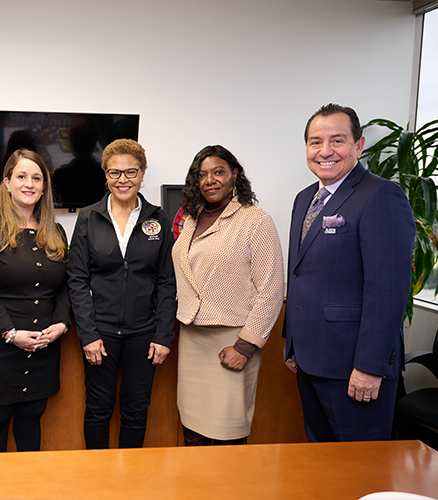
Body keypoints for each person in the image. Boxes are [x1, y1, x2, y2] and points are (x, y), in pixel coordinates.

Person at [283, 103, 416, 442]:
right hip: (311, 360)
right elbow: (300, 275)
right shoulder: (304, 199)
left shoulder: (381, 195)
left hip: (354, 367)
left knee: (362, 470)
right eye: (315, 142)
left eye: (337, 140)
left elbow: (387, 290)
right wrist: (293, 344)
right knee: (323, 459)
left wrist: (370, 367)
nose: (325, 151)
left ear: (358, 145)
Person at [67, 138, 176, 449]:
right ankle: (97, 483)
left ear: (142, 174)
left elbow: (168, 281)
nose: (123, 180)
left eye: (131, 172)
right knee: (98, 410)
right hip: (100, 333)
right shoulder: (89, 216)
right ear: (105, 174)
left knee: (135, 411)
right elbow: (76, 278)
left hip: (144, 333)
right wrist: (87, 335)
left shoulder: (158, 218)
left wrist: (163, 335)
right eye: (115, 173)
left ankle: (129, 483)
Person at [172, 145, 284, 445]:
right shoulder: (192, 219)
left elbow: (272, 288)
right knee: (193, 428)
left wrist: (246, 346)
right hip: (193, 336)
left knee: (226, 430)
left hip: (232, 339)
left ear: (235, 175)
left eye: (218, 172)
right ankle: (197, 491)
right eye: (202, 174)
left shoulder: (255, 220)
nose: (210, 180)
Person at [0, 148, 71, 452]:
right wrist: (10, 333)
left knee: (31, 417)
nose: (29, 183)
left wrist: (61, 323)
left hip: (42, 347)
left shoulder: (55, 231)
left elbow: (65, 286)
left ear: (44, 186)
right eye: (21, 176)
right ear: (7, 182)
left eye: (37, 178)